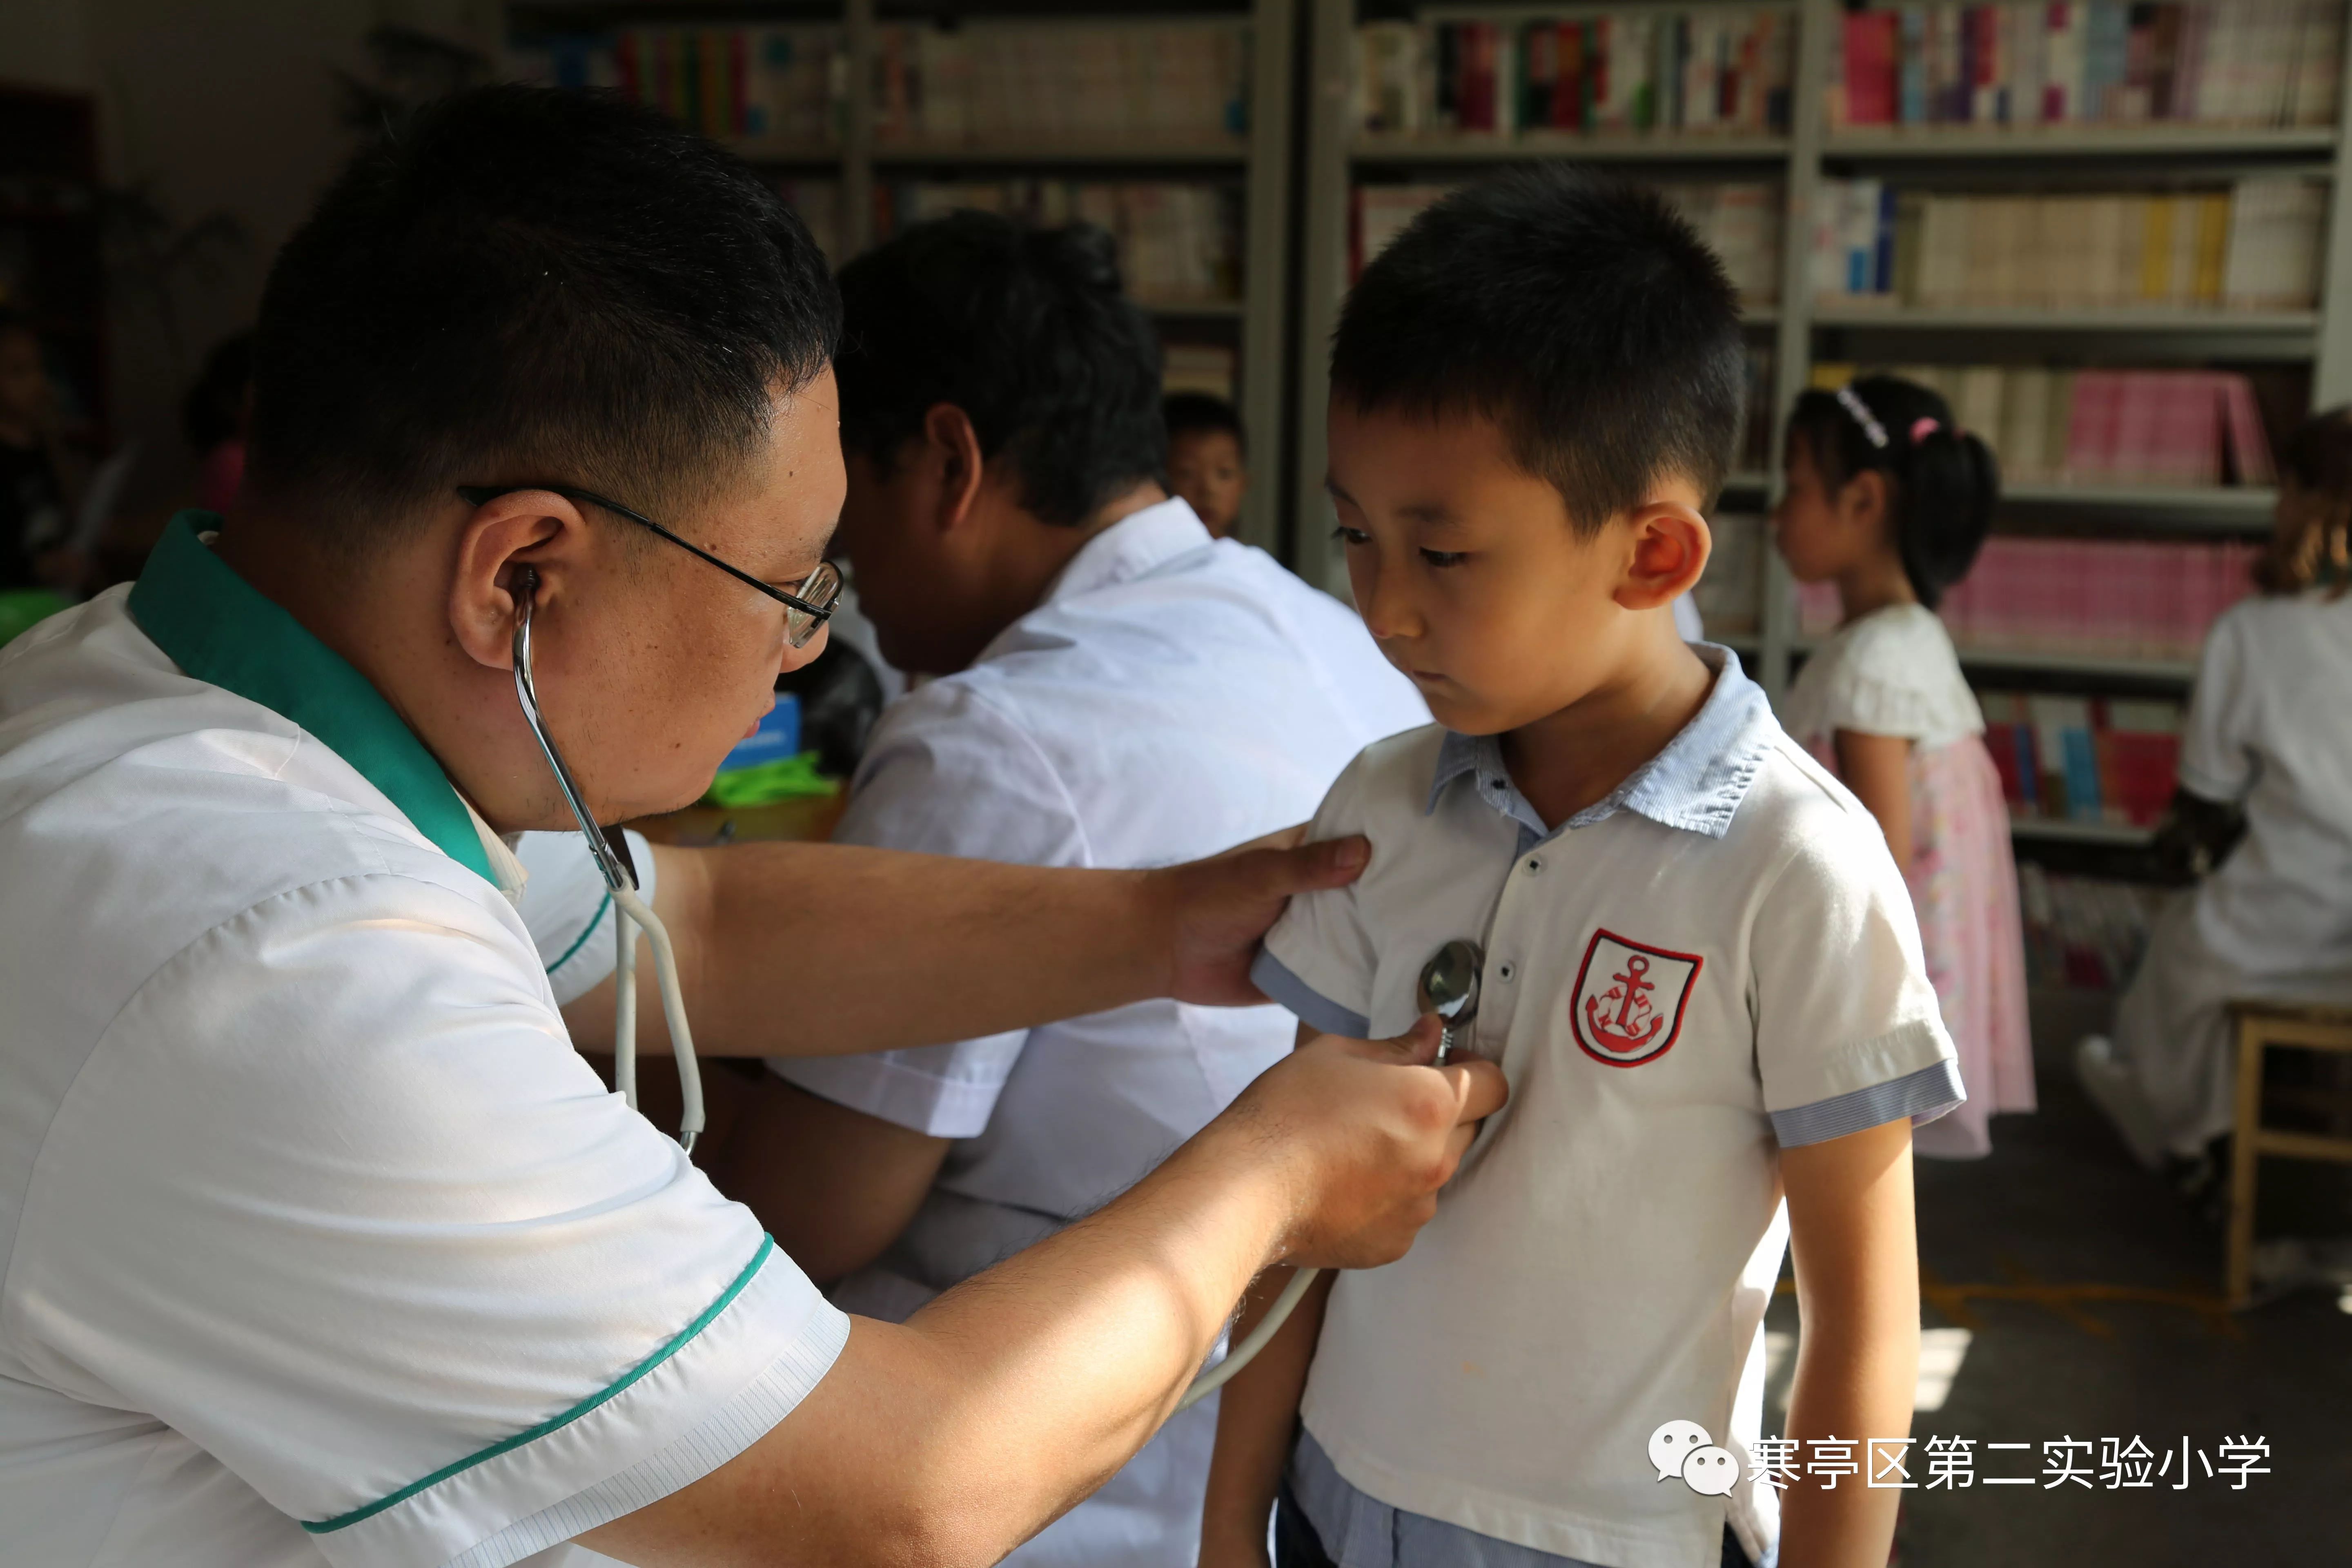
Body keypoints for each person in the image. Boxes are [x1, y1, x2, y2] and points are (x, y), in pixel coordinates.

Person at [0, 87, 1505, 1568]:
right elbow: (910, 1488)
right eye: (791, 587)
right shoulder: (292, 978)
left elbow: (699, 929)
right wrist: (1275, 1180)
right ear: (521, 577)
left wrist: (1157, 925)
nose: (809, 649)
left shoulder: (163, 691)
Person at [1200, 171, 1960, 1568]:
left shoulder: (1797, 864)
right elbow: (1298, 1215)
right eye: (1356, 535)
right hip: (1335, 1497)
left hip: (1621, 1541)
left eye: (1443, 550)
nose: (1385, 607)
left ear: (1652, 552)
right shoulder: (1381, 807)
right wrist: (1231, 1521)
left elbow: (1863, 1329)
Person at [710, 212, 1428, 1568]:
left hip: (1054, 1480)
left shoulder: (993, 735)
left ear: (946, 461)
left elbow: (798, 1218)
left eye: (828, 505)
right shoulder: (1336, 641)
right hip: (1297, 1458)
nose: (825, 570)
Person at [2077, 407, 2352, 1189]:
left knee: (2181, 958)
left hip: (2279, 920)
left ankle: (2191, 1140)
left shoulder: (2253, 634)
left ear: (2299, 500)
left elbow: (2207, 799)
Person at [1773, 374, 2035, 1159]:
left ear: (1863, 501)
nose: (1778, 512)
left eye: (1795, 489)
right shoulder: (1903, 640)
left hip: (1864, 998)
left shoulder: (1872, 664)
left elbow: (1873, 855)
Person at [0, 311, 83, 593]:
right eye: (19, 372)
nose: (36, 383)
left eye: (40, 369)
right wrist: (40, 566)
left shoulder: (45, 445)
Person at [1164, 390, 1247, 539]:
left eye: (1224, 473)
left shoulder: (1252, 562)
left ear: (1243, 484)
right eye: (1187, 473)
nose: (1208, 489)